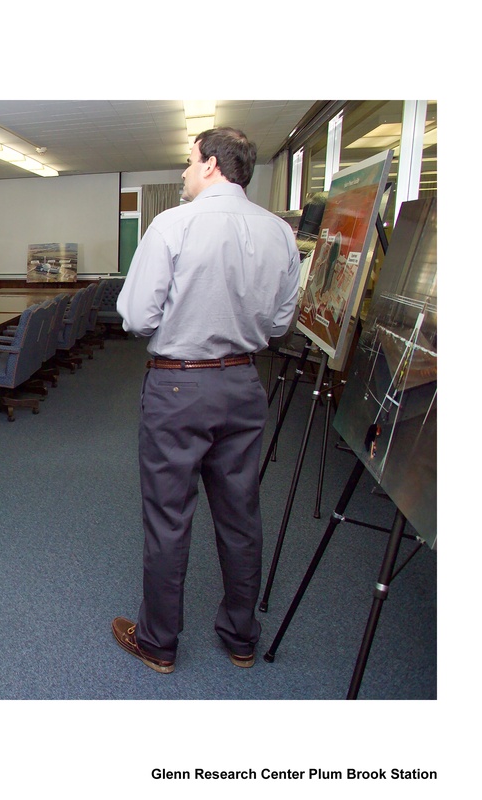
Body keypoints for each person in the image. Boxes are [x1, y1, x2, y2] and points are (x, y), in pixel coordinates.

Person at [111, 127, 301, 673]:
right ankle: (241, 637)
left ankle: (159, 643)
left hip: (178, 387)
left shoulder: (173, 225)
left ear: (213, 164)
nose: (184, 172)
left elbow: (137, 317)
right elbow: (282, 322)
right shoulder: (280, 234)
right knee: (240, 515)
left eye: (189, 162)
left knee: (169, 518)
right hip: (244, 383)